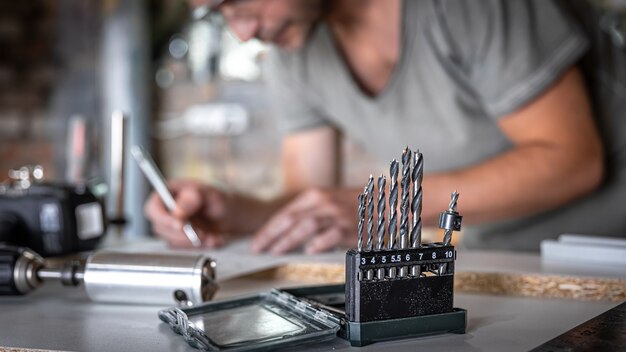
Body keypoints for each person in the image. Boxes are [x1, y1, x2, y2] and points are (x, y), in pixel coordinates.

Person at [145, 0, 626, 253]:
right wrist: (231, 214)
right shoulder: (293, 52)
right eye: (219, 13)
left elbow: (573, 161)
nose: (242, 31)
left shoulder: (466, 6)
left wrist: (381, 205)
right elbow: (309, 200)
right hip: (509, 265)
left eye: (239, 1)